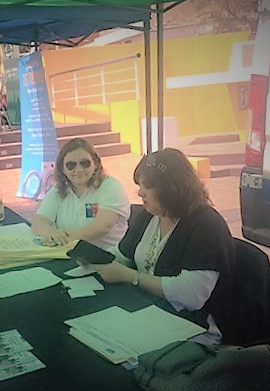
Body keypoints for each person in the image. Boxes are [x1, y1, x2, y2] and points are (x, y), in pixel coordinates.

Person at [91, 148, 234, 344]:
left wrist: (131, 277)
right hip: (149, 311)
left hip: (190, 327)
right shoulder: (150, 215)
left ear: (171, 188)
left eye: (147, 187)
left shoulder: (206, 225)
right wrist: (92, 258)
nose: (140, 193)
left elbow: (191, 295)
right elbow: (122, 255)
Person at [31, 138, 131, 250]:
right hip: (68, 253)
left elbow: (103, 226)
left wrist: (64, 239)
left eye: (85, 163)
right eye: (71, 165)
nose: (78, 169)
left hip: (108, 257)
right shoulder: (57, 191)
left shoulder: (111, 187)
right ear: (62, 169)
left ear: (96, 164)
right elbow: (39, 222)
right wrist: (50, 233)